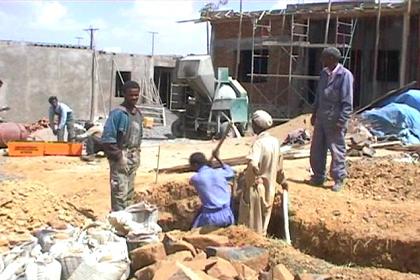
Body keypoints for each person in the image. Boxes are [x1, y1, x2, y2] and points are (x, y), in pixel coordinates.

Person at [308, 47, 353, 192]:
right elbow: (318, 96)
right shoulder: (324, 74)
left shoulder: (344, 75)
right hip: (322, 116)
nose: (322, 60)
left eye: (325, 58)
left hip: (335, 119)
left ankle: (338, 178)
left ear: (332, 59)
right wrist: (314, 113)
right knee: (317, 148)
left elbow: (347, 101)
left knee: (336, 150)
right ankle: (318, 176)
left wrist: (342, 120)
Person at [238, 110, 288, 235]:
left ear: (255, 125)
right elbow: (279, 167)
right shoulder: (275, 142)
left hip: (256, 189)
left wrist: (249, 181)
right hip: (269, 189)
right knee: (263, 224)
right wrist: (283, 181)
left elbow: (253, 163)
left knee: (251, 224)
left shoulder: (259, 143)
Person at [102, 81, 143, 211]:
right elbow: (108, 139)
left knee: (129, 192)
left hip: (134, 156)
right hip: (121, 156)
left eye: (136, 95)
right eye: (131, 95)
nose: (134, 98)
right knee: (119, 191)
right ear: (124, 94)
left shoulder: (138, 114)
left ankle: (127, 220)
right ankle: (118, 220)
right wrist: (119, 157)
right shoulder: (118, 114)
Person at [189, 152, 235, 228]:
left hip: (211, 218)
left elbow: (191, 182)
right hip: (227, 215)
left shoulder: (196, 178)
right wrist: (218, 159)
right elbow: (230, 172)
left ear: (195, 165)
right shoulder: (220, 173)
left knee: (192, 232)